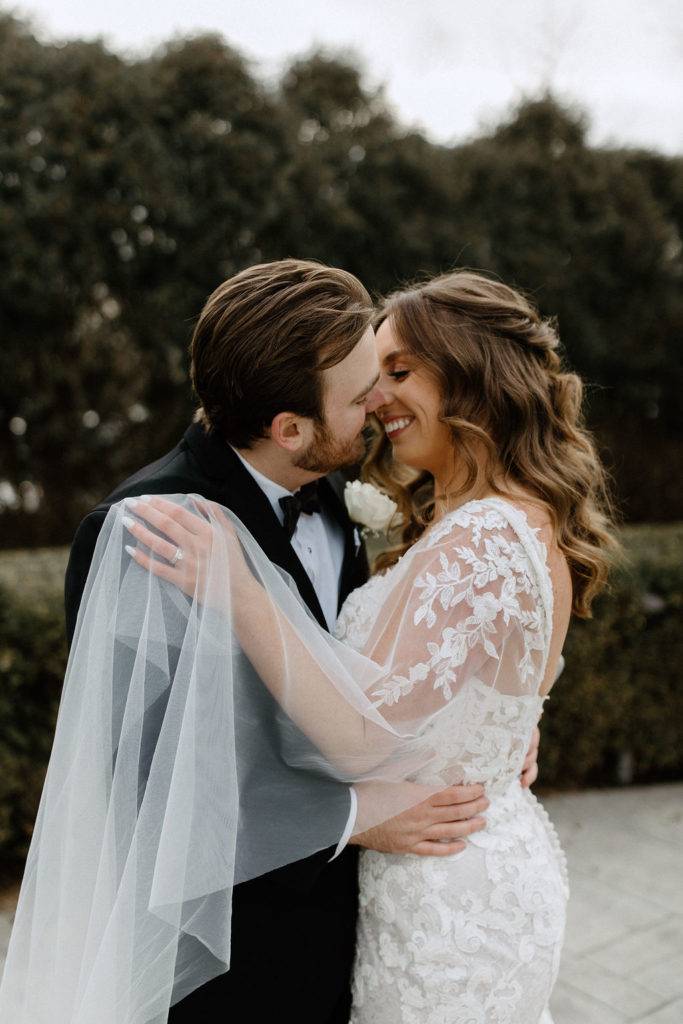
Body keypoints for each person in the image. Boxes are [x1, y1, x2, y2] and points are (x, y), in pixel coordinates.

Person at [1, 260, 527, 1024]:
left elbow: (371, 669)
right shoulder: (146, 532)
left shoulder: (332, 495)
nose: (379, 402)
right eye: (358, 395)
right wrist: (352, 816)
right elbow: (149, 783)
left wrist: (489, 711)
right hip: (229, 963)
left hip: (352, 936)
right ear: (290, 430)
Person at [122, 270, 615, 1022]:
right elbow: (151, 766)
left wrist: (243, 592)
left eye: (398, 371)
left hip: (447, 896)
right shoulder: (466, 520)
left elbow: (362, 736)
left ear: (471, 377)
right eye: (367, 379)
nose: (377, 397)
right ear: (290, 425)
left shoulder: (481, 532)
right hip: (373, 898)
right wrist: (483, 728)